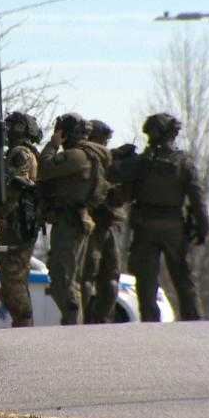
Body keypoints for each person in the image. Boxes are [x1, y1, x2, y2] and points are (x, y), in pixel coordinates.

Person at [128, 113, 209, 321]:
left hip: (144, 225)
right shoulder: (183, 162)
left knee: (146, 281)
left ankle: (151, 324)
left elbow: (125, 191)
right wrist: (203, 228)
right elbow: (197, 198)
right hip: (173, 225)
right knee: (183, 277)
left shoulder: (141, 163)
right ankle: (194, 321)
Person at [38, 113, 109, 325]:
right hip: (71, 220)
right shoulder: (83, 154)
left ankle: (72, 322)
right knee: (66, 276)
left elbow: (44, 169)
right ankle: (72, 322)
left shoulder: (77, 156)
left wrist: (52, 145)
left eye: (59, 130)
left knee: (63, 278)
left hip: (70, 222)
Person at [0, 111, 42, 327]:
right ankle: (23, 324)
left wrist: (2, 213)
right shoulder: (27, 152)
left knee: (13, 279)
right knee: (15, 279)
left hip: (16, 222)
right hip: (20, 220)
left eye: (11, 126)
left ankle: (24, 325)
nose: (7, 130)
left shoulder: (20, 153)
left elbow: (15, 187)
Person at [81, 119, 125, 324]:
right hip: (92, 223)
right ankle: (90, 318)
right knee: (88, 275)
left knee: (109, 277)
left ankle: (100, 319)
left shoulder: (106, 159)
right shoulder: (86, 158)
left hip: (109, 224)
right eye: (103, 140)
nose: (105, 144)